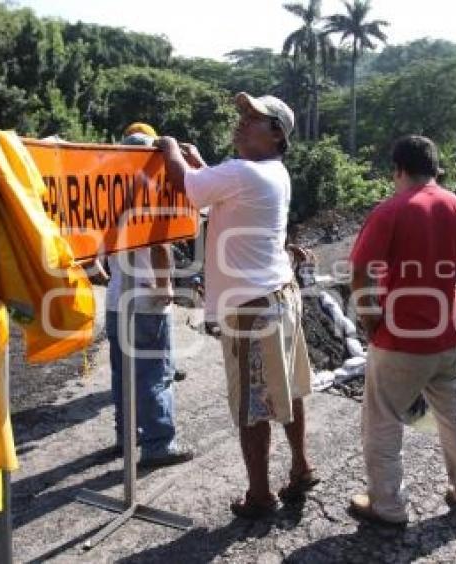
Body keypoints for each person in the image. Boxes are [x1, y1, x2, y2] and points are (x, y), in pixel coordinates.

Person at [155, 93, 316, 519]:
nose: (241, 122)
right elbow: (216, 195)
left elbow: (189, 190)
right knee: (291, 386)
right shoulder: (272, 172)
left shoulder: (243, 173)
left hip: (251, 307)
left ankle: (260, 496)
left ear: (276, 133)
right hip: (280, 293)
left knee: (251, 403)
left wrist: (170, 148)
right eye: (242, 115)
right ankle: (300, 466)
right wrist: (201, 165)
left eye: (253, 118)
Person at [348, 135, 456, 525]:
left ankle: (387, 505)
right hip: (450, 336)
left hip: (401, 339)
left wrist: (370, 317)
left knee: (384, 418)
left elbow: (358, 272)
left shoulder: (391, 210)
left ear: (398, 169)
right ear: (435, 168)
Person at [104, 124, 194, 467]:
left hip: (116, 300)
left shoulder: (109, 193)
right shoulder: (150, 190)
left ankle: (125, 437)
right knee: (155, 373)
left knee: (122, 374)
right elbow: (158, 245)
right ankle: (158, 445)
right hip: (146, 300)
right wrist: (164, 285)